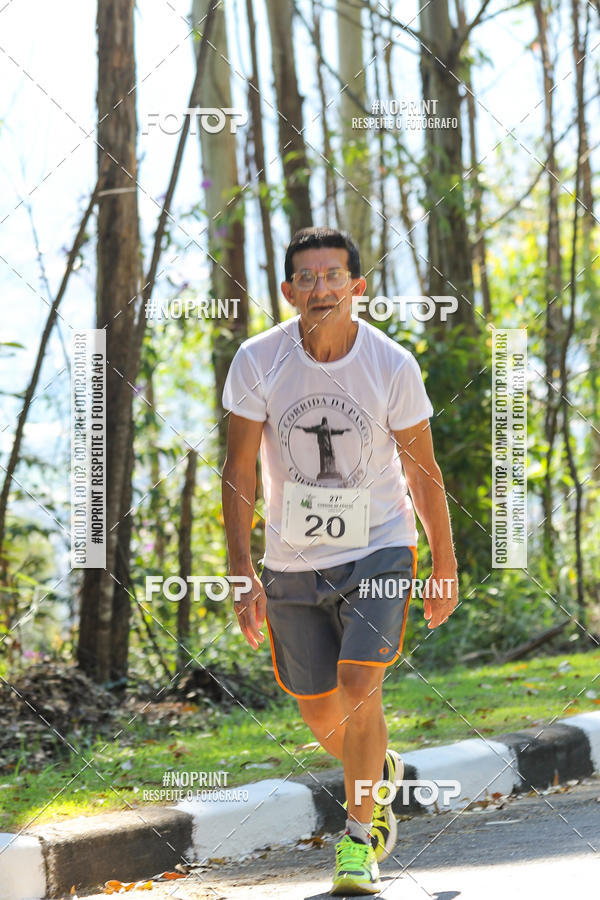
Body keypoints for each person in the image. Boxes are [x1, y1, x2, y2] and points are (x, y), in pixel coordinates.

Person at [221, 226, 458, 895]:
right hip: (292, 560)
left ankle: (357, 842)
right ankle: (376, 773)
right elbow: (238, 471)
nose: (320, 288)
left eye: (333, 276)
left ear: (357, 286)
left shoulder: (392, 365)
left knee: (361, 687)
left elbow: (423, 471)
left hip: (380, 544)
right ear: (288, 290)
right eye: (307, 277)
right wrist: (241, 569)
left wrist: (445, 564)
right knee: (322, 711)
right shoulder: (258, 360)